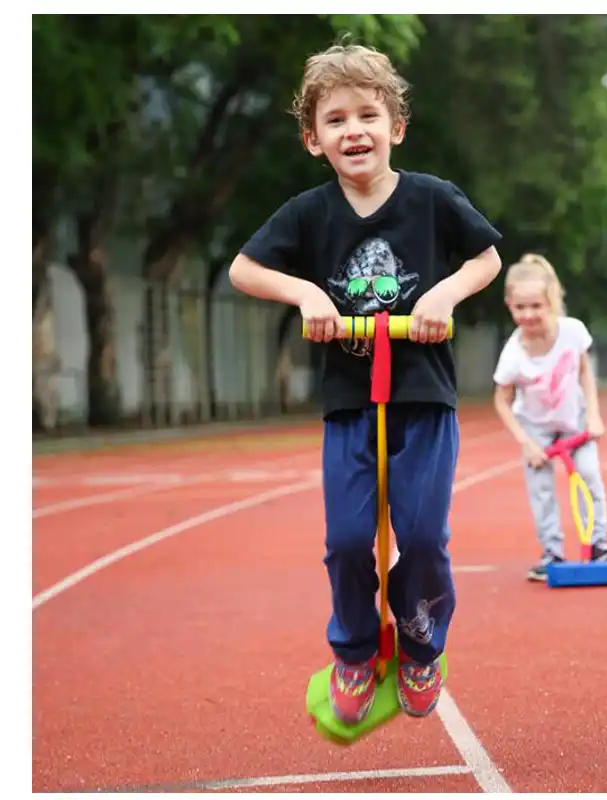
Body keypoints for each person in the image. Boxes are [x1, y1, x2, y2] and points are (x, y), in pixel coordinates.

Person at [228, 43, 503, 724]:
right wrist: (306, 295)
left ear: (396, 127)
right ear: (313, 140)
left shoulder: (432, 199)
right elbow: (243, 270)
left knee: (423, 535)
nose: (354, 131)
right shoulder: (308, 212)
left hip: (424, 397)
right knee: (349, 540)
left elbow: (486, 259)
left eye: (368, 116)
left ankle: (419, 643)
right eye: (335, 120)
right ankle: (353, 650)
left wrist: (442, 295)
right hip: (351, 402)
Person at [492, 254, 607, 582]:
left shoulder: (572, 332)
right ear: (509, 305)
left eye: (536, 306)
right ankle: (552, 550)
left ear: (551, 301)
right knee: (541, 490)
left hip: (573, 419)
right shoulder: (513, 353)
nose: (528, 315)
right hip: (535, 426)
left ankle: (599, 543)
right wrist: (526, 443)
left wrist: (593, 414)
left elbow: (585, 372)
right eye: (520, 308)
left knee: (589, 473)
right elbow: (502, 401)